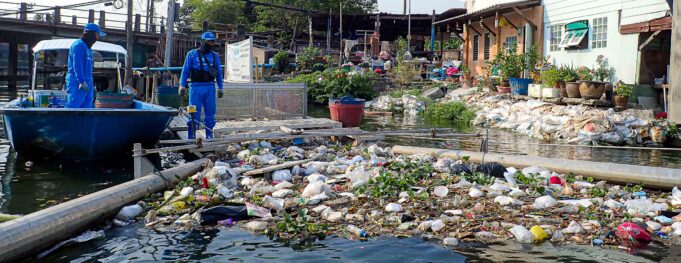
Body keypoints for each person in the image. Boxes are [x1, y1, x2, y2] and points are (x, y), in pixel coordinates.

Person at [179, 32, 224, 139]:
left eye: (212, 41)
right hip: (195, 87)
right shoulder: (191, 54)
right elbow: (185, 70)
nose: (210, 43)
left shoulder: (214, 56)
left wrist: (220, 88)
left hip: (210, 88)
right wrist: (182, 85)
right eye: (208, 41)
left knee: (210, 113)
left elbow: (219, 72)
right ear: (202, 41)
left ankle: (209, 136)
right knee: (193, 112)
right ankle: (191, 136)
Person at [66, 23, 105, 108]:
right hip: (77, 83)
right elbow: (77, 65)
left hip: (87, 82)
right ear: (91, 34)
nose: (97, 38)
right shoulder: (78, 45)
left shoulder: (89, 49)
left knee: (88, 108)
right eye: (97, 35)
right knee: (74, 107)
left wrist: (90, 83)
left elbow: (88, 67)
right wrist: (81, 81)